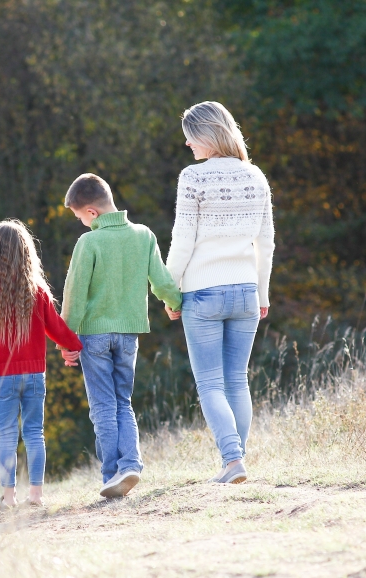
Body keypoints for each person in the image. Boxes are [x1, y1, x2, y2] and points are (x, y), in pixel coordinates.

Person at [165, 100, 276, 485]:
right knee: (236, 380)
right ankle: (235, 462)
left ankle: (232, 461)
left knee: (211, 383)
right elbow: (267, 243)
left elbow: (183, 241)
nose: (187, 146)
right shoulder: (256, 176)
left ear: (207, 134)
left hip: (203, 293)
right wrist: (262, 294)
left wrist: (169, 289)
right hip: (246, 292)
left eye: (190, 137)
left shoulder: (193, 178)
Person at [60, 174, 182, 499]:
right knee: (122, 401)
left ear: (91, 213)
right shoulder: (144, 236)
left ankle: (112, 473)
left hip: (94, 335)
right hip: (129, 334)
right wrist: (174, 303)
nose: (82, 225)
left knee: (102, 405)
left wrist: (65, 340)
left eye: (79, 218)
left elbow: (74, 295)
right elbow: (162, 280)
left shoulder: (90, 242)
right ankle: (130, 464)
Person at [0, 220, 82, 511]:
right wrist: (72, 347)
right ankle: (36, 496)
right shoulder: (36, 292)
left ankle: (10, 498)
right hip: (35, 375)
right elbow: (57, 328)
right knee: (35, 433)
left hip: (3, 378)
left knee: (7, 437)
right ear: (26, 254)